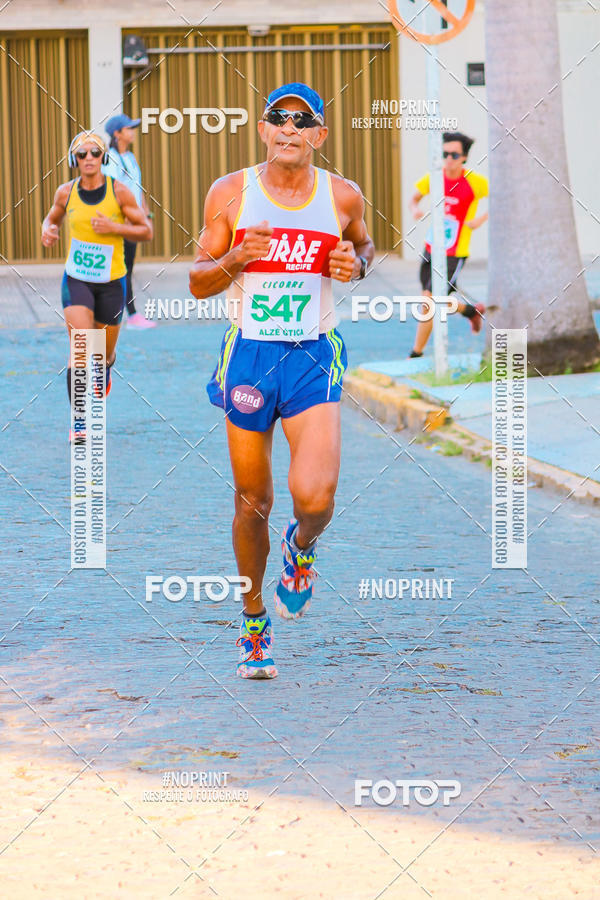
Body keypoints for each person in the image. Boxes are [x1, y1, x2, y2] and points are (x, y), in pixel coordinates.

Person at [189, 82, 374, 680]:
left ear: (319, 135)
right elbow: (196, 280)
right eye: (279, 118)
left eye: (304, 120)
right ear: (264, 130)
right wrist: (237, 259)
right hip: (248, 356)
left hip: (312, 355)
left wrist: (357, 265)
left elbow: (365, 250)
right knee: (253, 502)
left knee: (315, 498)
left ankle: (301, 549)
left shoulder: (342, 197)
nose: (290, 128)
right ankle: (252, 620)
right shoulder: (231, 193)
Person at [41, 131, 152, 439]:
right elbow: (51, 219)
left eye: (94, 153)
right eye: (81, 154)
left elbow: (146, 229)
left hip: (111, 283)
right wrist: (48, 230)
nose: (88, 158)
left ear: (103, 158)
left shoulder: (119, 193)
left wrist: (113, 227)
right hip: (77, 280)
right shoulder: (66, 192)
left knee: (102, 353)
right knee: (80, 348)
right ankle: (79, 419)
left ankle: (104, 368)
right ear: (73, 160)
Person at [409, 131, 488, 357]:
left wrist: (480, 220)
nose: (449, 159)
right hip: (431, 248)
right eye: (445, 154)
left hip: (455, 252)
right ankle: (471, 311)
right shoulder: (434, 177)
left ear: (464, 157)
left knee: (429, 303)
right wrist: (415, 209)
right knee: (434, 300)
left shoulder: (475, 182)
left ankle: (416, 353)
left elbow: (501, 198)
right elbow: (414, 197)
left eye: (454, 154)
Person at [102, 113, 156, 329]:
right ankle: (130, 316)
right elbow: (112, 192)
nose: (132, 131)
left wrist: (145, 212)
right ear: (117, 134)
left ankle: (125, 315)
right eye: (128, 128)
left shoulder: (130, 158)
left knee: (127, 269)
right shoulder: (110, 160)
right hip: (121, 225)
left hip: (134, 223)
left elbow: (137, 187)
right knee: (120, 269)